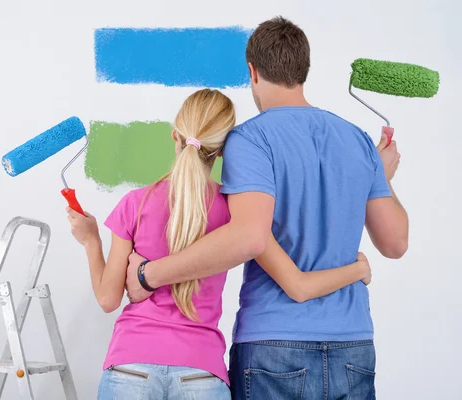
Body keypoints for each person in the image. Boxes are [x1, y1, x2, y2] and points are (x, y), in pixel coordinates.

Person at [124, 17, 408, 400]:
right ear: (303, 70)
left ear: (252, 72)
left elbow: (248, 236)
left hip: (273, 346)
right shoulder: (357, 139)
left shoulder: (249, 139)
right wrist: (383, 175)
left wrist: (149, 275)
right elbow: (395, 243)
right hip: (353, 344)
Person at [67, 89, 377, 400]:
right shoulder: (236, 213)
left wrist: (91, 240)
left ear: (174, 136)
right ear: (223, 150)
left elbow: (108, 299)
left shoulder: (135, 203)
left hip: (129, 368)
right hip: (201, 373)